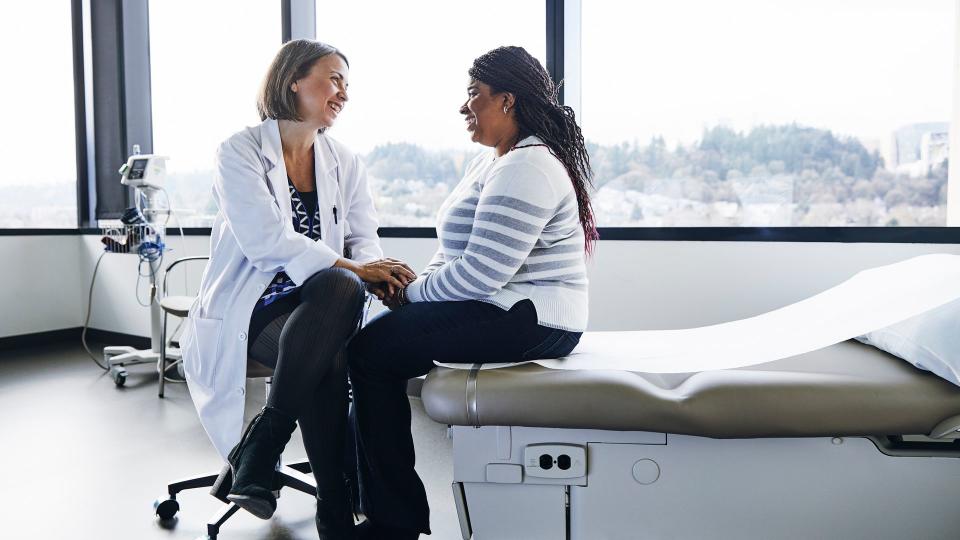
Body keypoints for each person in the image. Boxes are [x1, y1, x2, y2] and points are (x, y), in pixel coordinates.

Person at [347, 46, 598, 539]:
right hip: (505, 307)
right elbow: (456, 259)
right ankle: (377, 505)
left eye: (473, 96)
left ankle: (391, 522)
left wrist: (410, 296)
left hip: (532, 317)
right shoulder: (494, 163)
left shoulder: (527, 167)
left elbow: (481, 275)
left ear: (507, 100)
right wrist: (409, 288)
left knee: (370, 352)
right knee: (373, 345)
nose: (465, 108)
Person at [179, 39, 416, 540]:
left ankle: (265, 445)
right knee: (330, 324)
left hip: (320, 304)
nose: (343, 94)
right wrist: (357, 269)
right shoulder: (240, 151)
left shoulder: (344, 160)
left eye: (347, 84)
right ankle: (334, 504)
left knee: (335, 289)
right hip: (252, 306)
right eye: (334, 79)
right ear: (293, 80)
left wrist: (378, 272)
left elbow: (362, 235)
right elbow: (265, 241)